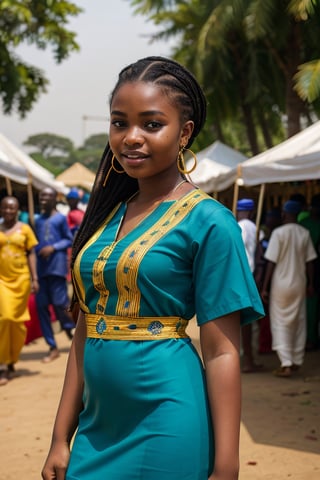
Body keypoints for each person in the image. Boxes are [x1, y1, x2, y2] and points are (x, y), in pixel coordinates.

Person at [42, 56, 264, 480]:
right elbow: (87, 329)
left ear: (184, 133)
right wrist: (59, 437)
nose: (131, 138)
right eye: (120, 123)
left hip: (168, 420)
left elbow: (221, 351)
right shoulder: (106, 216)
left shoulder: (209, 221)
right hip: (96, 428)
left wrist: (227, 466)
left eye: (151, 124)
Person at [261, 200, 317, 377]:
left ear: (284, 214)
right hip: (299, 282)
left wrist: (265, 286)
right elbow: (310, 262)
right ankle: (296, 360)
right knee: (298, 322)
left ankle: (285, 362)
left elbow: (271, 262)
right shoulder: (304, 233)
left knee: (280, 322)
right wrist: (310, 283)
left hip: (280, 284)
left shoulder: (278, 233)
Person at [0, 196, 39, 386]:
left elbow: (31, 252)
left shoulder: (25, 229)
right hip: (1, 281)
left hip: (21, 279)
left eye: (12, 208)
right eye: (5, 208)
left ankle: (12, 358)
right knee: (5, 318)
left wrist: (35, 278)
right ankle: (2, 364)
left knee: (16, 322)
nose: (9, 211)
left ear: (18, 210)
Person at [35, 187, 75, 363]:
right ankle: (52, 346)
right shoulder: (36, 220)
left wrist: (53, 247)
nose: (44, 199)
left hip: (57, 267)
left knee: (60, 302)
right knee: (42, 306)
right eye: (42, 195)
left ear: (54, 199)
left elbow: (68, 239)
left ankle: (69, 327)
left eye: (47, 196)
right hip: (41, 269)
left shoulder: (60, 218)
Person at [236, 198, 262, 372]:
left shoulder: (240, 226)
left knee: (243, 321)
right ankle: (248, 358)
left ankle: (246, 360)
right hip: (253, 275)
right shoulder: (255, 227)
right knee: (249, 320)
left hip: (242, 276)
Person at [299, 194, 320, 350]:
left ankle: (311, 340)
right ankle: (310, 340)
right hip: (308, 271)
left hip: (308, 271)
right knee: (310, 309)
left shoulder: (303, 225)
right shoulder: (303, 226)